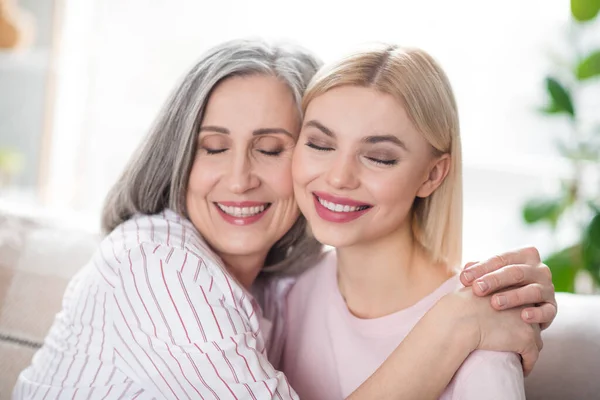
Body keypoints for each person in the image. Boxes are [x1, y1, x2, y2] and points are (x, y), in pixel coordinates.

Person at [13, 39, 557, 399]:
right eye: (213, 148)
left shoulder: (278, 289)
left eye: (272, 148)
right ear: (179, 157)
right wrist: (449, 324)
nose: (240, 178)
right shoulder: (157, 265)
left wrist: (486, 297)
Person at [282, 44, 548, 399]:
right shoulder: (285, 293)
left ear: (432, 175)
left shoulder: (487, 344)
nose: (339, 177)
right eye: (319, 144)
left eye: (378, 157)